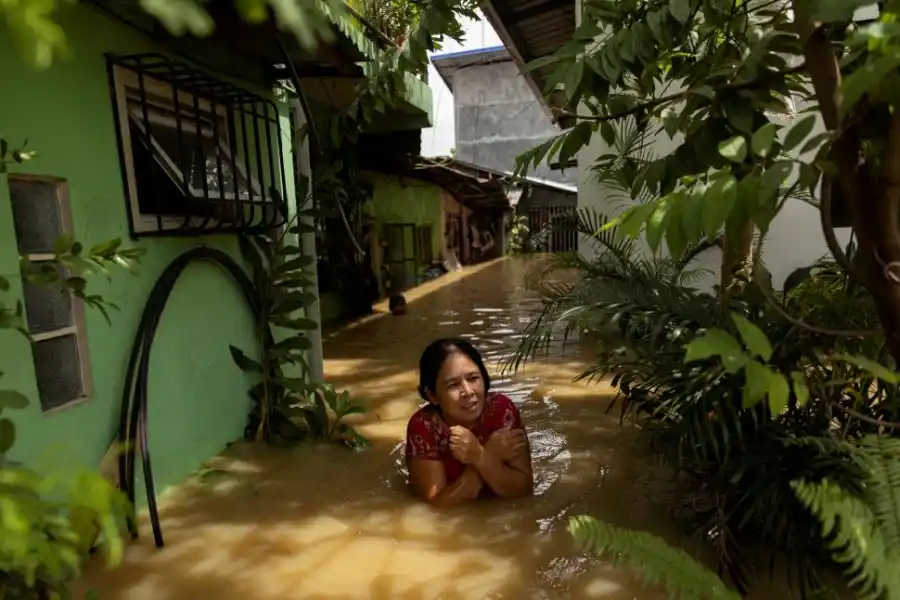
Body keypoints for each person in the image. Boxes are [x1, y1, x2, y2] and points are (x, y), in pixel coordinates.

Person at [405, 338, 533, 507]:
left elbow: (524, 491)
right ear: (432, 395)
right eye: (453, 385)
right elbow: (437, 508)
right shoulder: (424, 427)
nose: (468, 391)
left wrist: (480, 457)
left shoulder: (502, 411)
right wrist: (484, 456)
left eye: (473, 378)